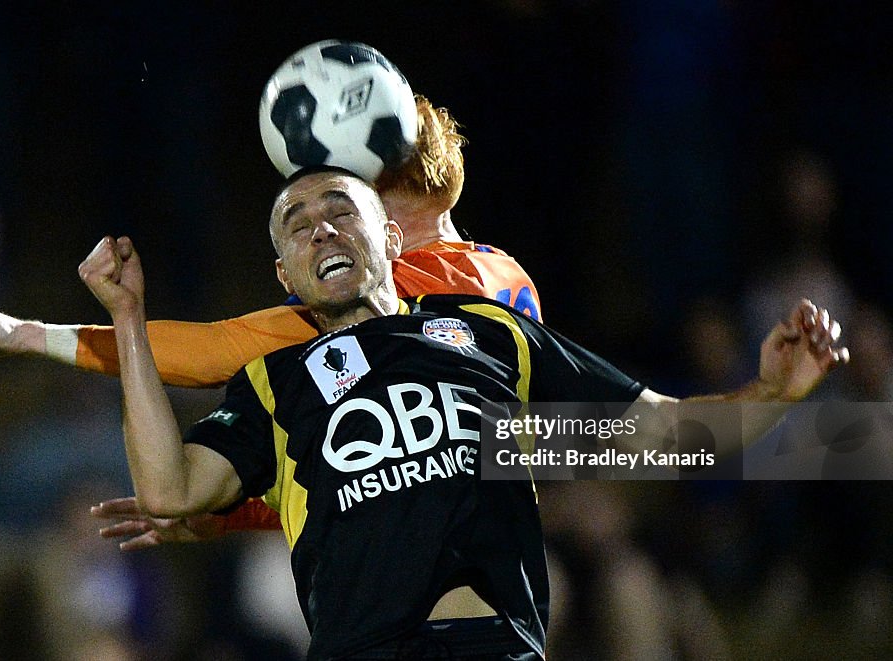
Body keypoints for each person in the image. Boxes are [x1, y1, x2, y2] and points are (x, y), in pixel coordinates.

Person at [76, 167, 844, 659]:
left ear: (387, 235)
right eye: (297, 225)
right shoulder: (273, 384)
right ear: (286, 274)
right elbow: (170, 492)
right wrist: (130, 321)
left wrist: (772, 393)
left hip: (491, 645)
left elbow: (672, 435)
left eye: (339, 208)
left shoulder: (492, 332)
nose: (321, 228)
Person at [0, 94, 543, 539]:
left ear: (383, 215)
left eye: (342, 198)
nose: (325, 227)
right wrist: (222, 512)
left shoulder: (421, 288)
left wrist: (27, 334)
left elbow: (219, 349)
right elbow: (435, 460)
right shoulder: (509, 284)